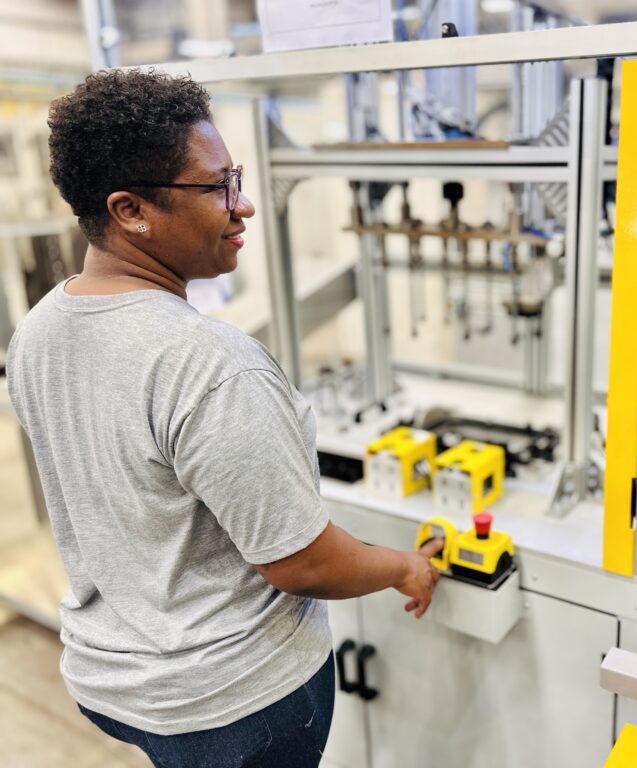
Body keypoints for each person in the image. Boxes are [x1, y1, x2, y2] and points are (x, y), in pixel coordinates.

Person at [6, 68, 442, 767]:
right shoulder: (209, 364)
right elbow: (301, 561)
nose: (243, 208)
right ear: (129, 211)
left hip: (118, 680)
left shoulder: (39, 330)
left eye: (235, 178)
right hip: (235, 700)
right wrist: (404, 568)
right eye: (216, 188)